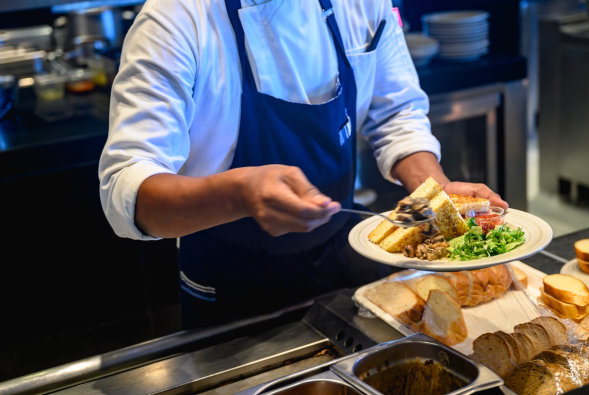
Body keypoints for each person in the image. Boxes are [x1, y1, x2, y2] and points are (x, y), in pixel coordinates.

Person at [99, 0, 508, 330]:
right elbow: (128, 191)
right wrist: (238, 193)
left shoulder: (361, 5)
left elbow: (396, 112)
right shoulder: (176, 19)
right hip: (230, 280)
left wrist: (434, 191)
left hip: (342, 256)